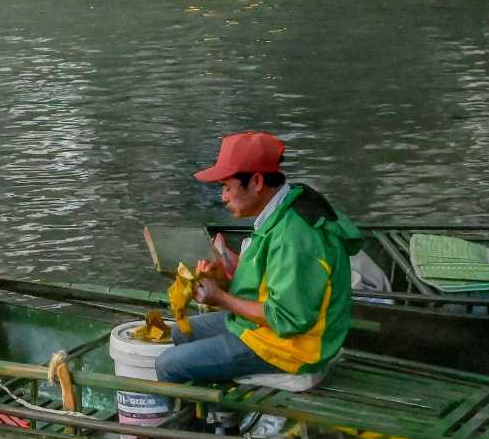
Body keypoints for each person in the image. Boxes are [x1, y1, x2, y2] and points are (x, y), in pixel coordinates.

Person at [154, 131, 364, 385]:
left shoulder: (293, 237)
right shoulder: (281, 210)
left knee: (167, 365)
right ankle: (212, 402)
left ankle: (202, 408)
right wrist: (223, 282)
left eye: (227, 187)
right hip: (270, 330)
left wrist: (221, 298)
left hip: (294, 348)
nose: (223, 197)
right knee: (181, 332)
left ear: (256, 181)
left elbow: (287, 319)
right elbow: (265, 289)